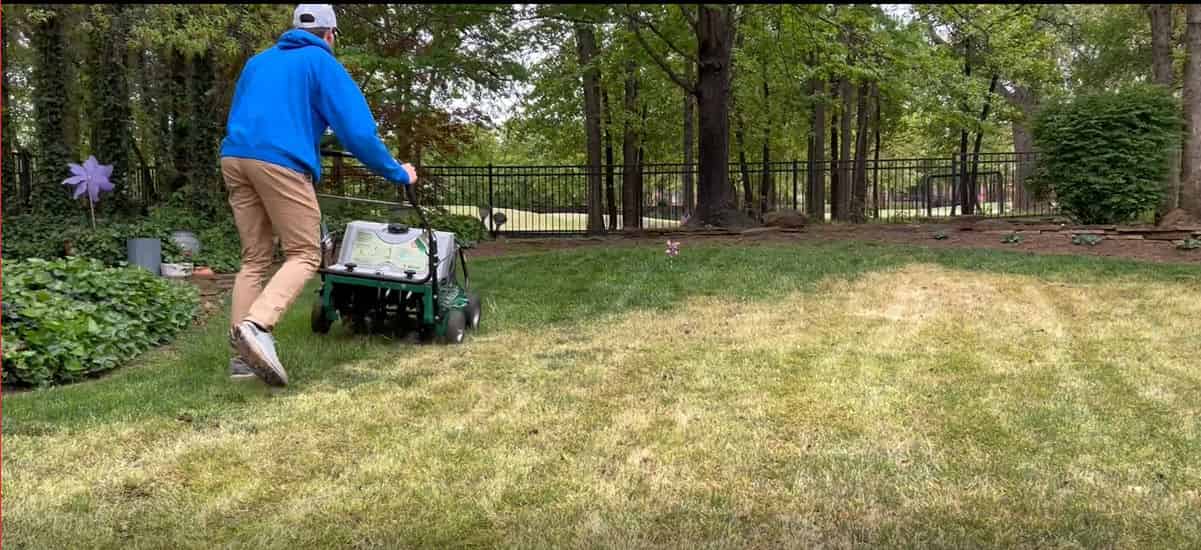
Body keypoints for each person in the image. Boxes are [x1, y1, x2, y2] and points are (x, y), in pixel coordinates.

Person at [219, 4, 417, 387]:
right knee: (305, 253)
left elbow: (251, 114)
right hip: (279, 163)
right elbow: (358, 133)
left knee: (255, 258)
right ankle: (258, 326)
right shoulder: (321, 63)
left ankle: (241, 361)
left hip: (235, 157)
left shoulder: (257, 63)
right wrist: (397, 172)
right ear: (330, 34)